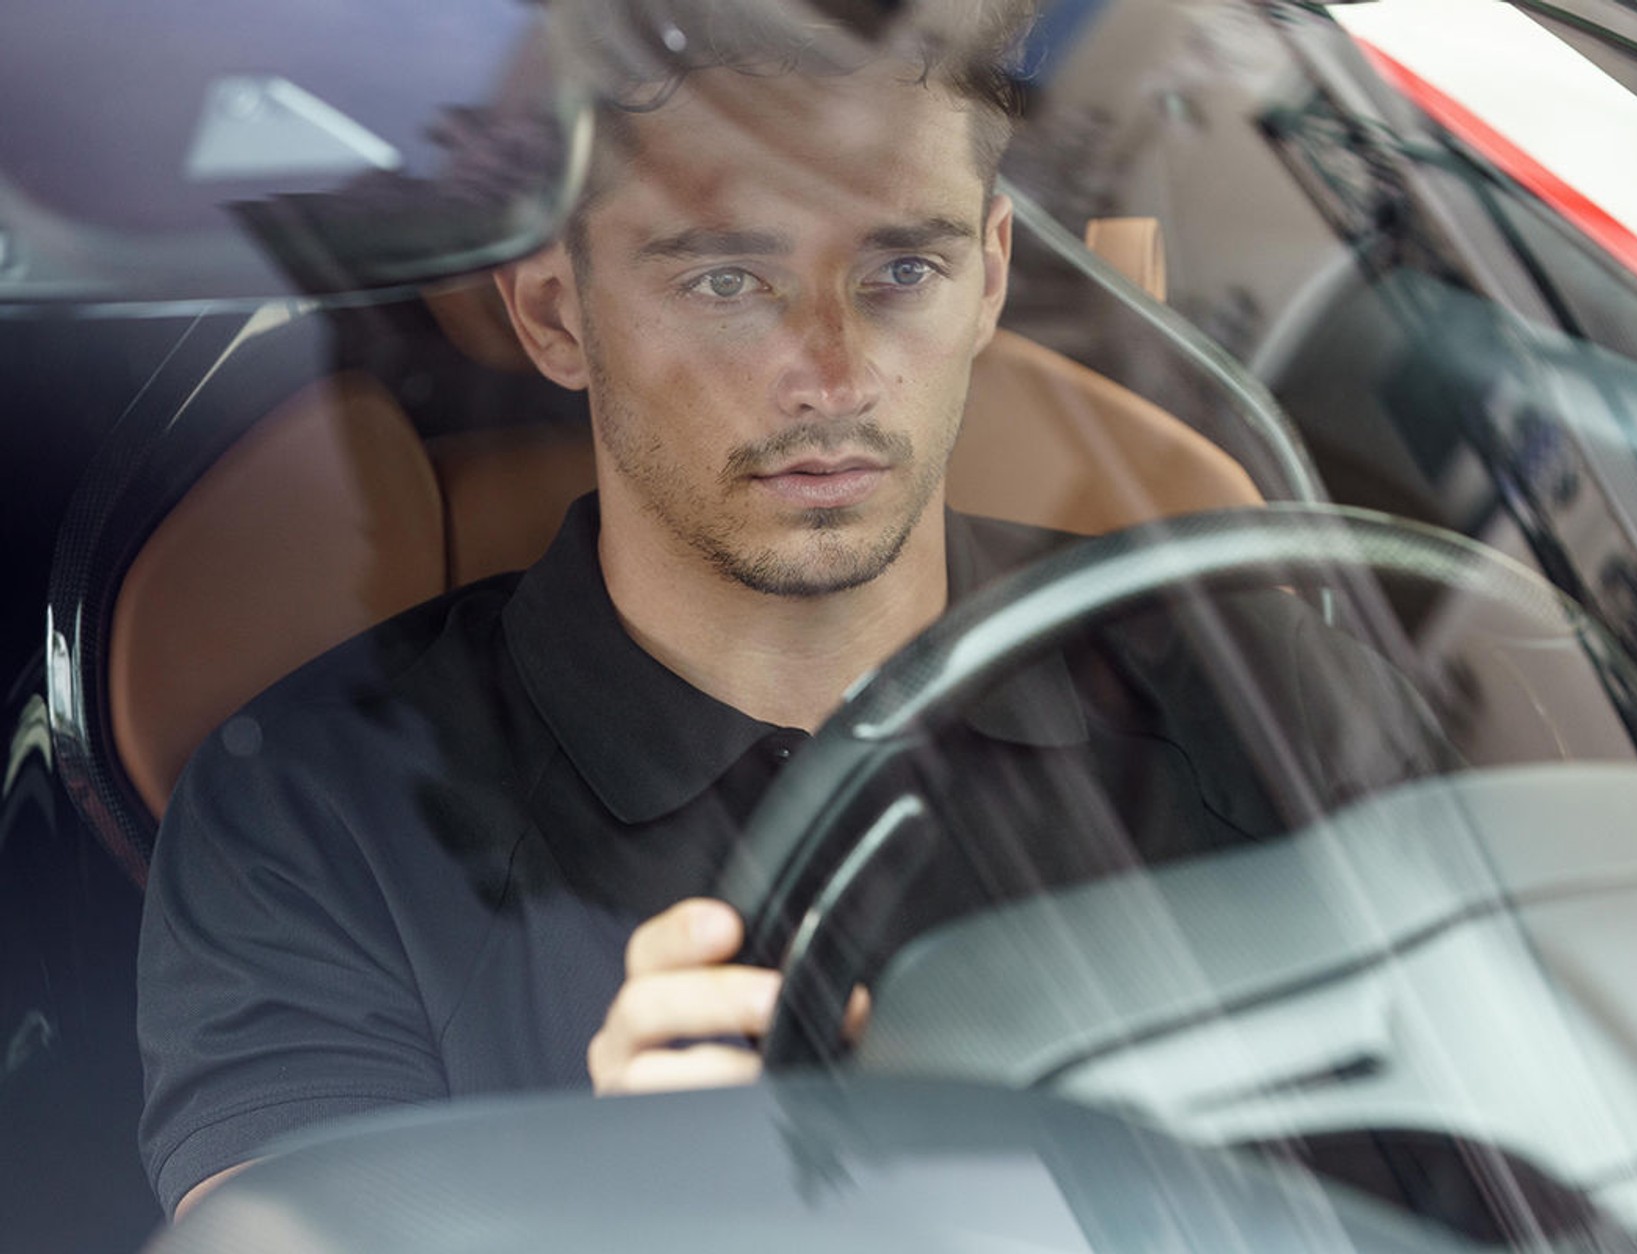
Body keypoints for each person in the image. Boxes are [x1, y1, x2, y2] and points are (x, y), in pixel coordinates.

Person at [136, 0, 1452, 1223]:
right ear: (555, 310)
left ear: (989, 275)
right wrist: (619, 1215)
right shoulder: (318, 818)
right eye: (726, 281)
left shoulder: (1262, 685)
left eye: (899, 271)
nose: (830, 369)